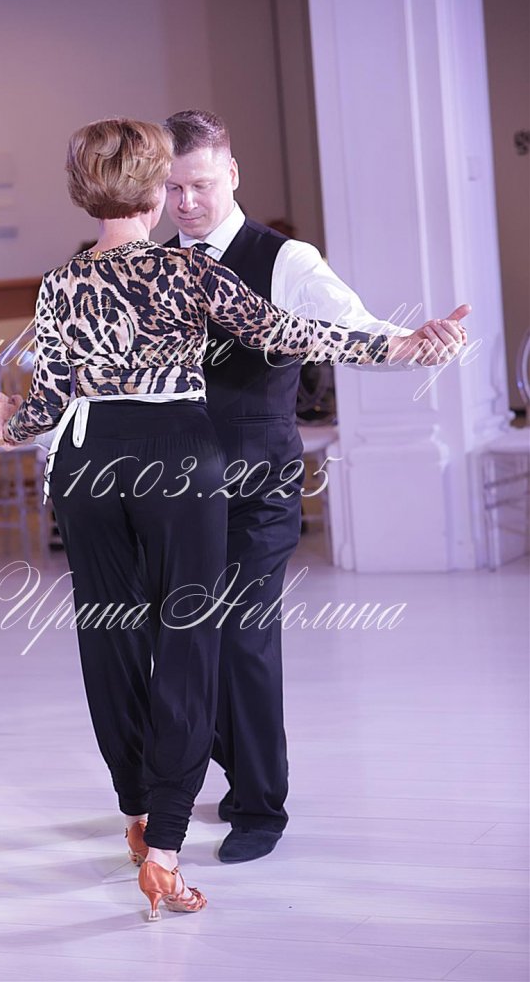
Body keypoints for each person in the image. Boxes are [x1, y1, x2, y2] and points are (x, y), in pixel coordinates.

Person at [0, 117, 466, 919]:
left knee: (111, 643)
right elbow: (291, 332)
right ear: (153, 191)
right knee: (190, 644)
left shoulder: (60, 282)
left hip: (91, 468)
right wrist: (406, 347)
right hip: (178, 462)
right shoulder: (188, 269)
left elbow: (46, 402)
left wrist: (2, 423)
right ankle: (166, 847)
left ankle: (139, 811)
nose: (182, 198)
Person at [163, 108, 468, 864]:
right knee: (188, 643)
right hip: (174, 488)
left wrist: (412, 345)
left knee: (243, 639)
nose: (186, 202)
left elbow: (349, 326)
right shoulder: (156, 265)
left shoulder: (285, 259)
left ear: (232, 174)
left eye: (200, 184)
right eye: (171, 188)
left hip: (259, 484)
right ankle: (240, 776)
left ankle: (261, 807)